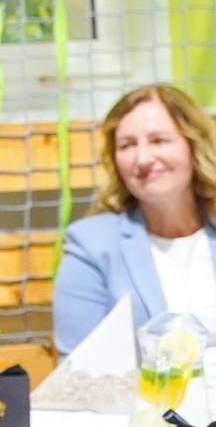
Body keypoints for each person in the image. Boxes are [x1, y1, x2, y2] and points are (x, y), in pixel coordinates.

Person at [54, 84, 216, 354]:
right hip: (145, 396)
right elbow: (77, 373)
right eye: (127, 145)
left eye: (159, 141)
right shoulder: (90, 247)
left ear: (193, 145)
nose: (143, 158)